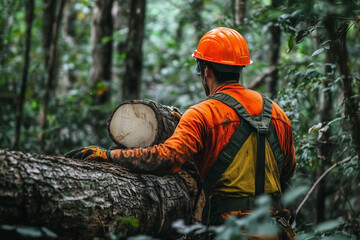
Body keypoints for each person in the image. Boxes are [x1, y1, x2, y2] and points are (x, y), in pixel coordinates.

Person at [65, 27, 296, 239]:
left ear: (205, 71)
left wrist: (109, 156)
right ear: (240, 69)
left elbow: (166, 159)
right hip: (275, 229)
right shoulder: (277, 113)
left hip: (229, 231)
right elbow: (287, 169)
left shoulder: (202, 113)